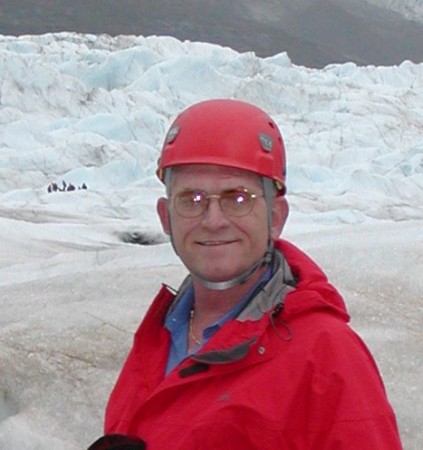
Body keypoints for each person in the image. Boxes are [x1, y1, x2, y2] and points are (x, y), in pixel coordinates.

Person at [90, 99, 403, 449]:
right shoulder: (157, 340)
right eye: (191, 199)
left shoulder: (327, 357)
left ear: (276, 217)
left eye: (237, 198)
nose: (213, 220)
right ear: (165, 217)